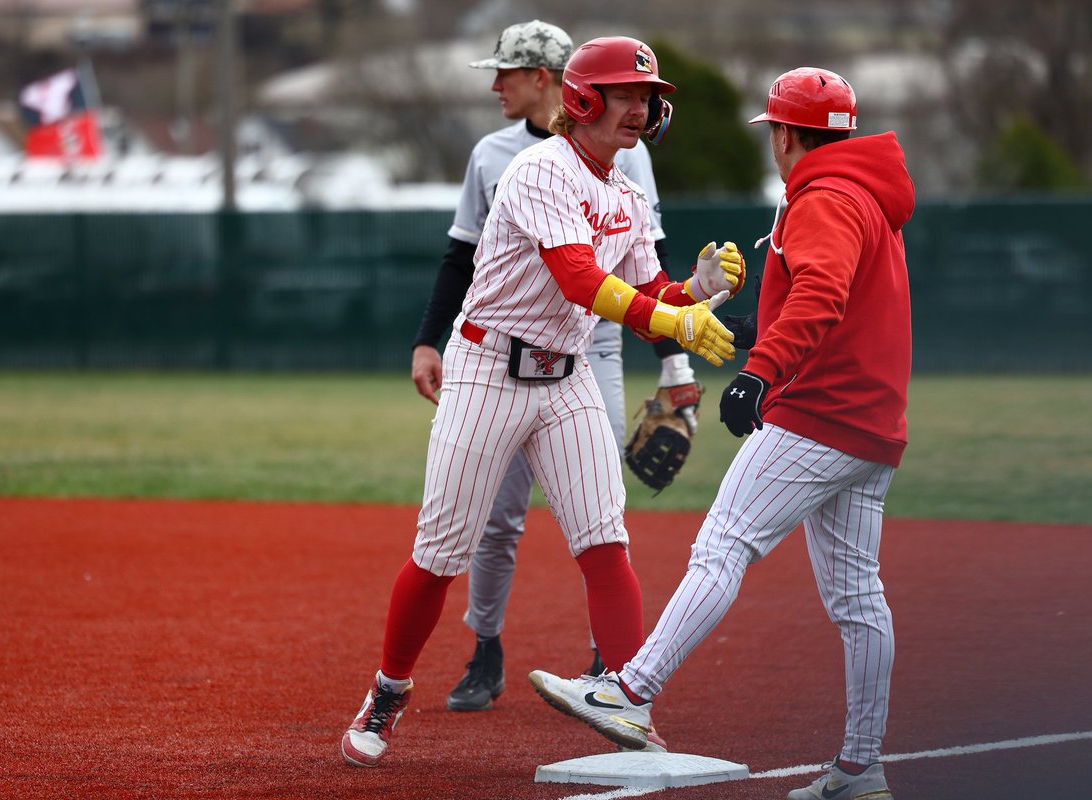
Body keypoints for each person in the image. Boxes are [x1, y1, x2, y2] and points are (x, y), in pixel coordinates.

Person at [341, 35, 742, 769]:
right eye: (627, 95)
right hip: (487, 368)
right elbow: (580, 279)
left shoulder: (626, 192)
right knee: (441, 551)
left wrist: (697, 290)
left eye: (648, 98)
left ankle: (629, 705)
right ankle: (388, 691)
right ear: (583, 98)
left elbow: (648, 295)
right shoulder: (539, 170)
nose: (642, 108)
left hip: (567, 376)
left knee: (605, 539)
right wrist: (668, 316)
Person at [528, 66, 915, 800]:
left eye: (774, 130)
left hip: (819, 415)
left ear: (787, 134)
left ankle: (630, 691)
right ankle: (861, 768)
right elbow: (837, 304)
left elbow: (823, 296)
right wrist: (749, 331)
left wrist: (758, 375)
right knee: (859, 600)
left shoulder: (825, 196)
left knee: (723, 545)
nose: (772, 142)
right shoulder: (865, 191)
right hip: (872, 424)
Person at [409, 20, 702, 721]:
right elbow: (462, 258)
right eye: (628, 95)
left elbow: (649, 268)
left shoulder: (629, 160)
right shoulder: (499, 156)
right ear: (583, 96)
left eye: (507, 71)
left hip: (590, 346)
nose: (496, 83)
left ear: (544, 77)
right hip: (498, 350)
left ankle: (613, 674)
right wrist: (428, 340)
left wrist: (677, 359)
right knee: (495, 519)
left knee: (602, 517)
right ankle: (485, 649)